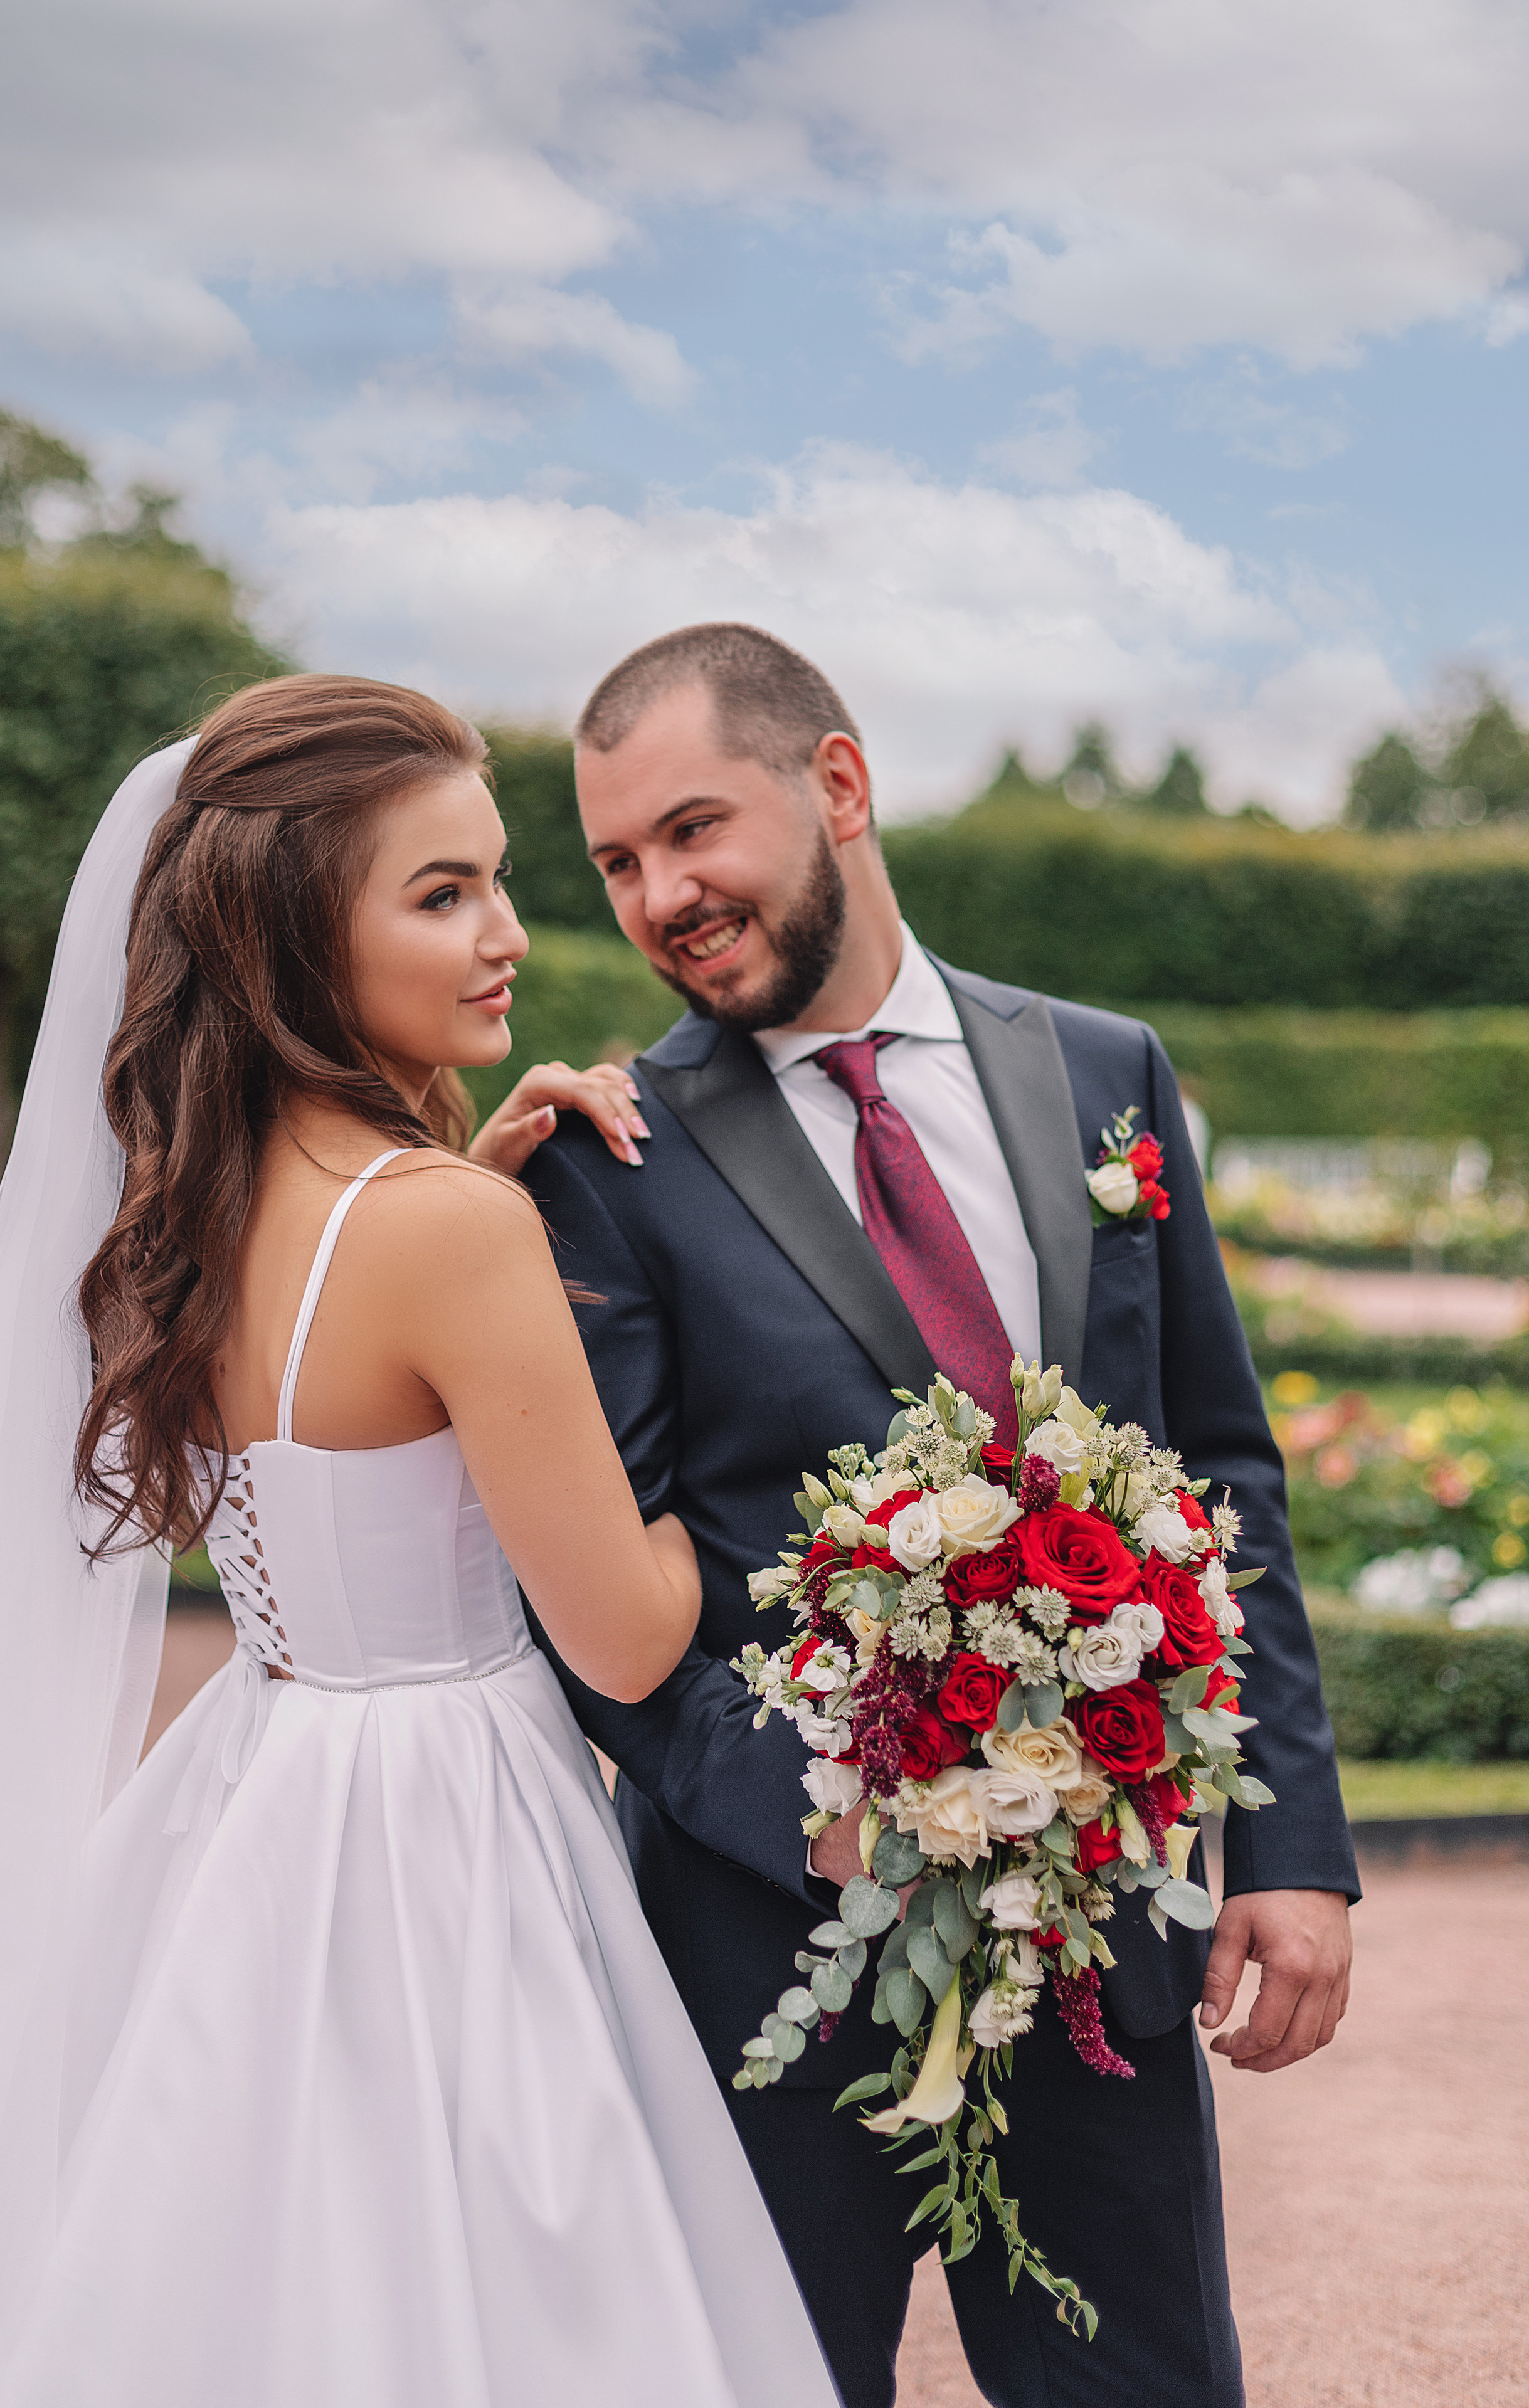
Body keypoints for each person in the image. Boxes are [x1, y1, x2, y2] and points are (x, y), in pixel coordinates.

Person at [0, 674, 842, 2408]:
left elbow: (350, 1396)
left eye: (499, 880)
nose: (508, 934)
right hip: (451, 1822)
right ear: (289, 937)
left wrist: (468, 1169)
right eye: (441, 894)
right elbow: (628, 1633)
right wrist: (716, 1446)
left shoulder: (188, 1212)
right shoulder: (453, 1234)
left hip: (263, 1773)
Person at [524, 623, 1360, 2408]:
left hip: (1105, 1950)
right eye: (616, 864)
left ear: (837, 783)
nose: (661, 897)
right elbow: (588, 1607)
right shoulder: (608, 1162)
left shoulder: (1107, 1073)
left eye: (693, 830)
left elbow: (1223, 1475)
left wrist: (1287, 1846)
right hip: (775, 1970)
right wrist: (819, 1825)